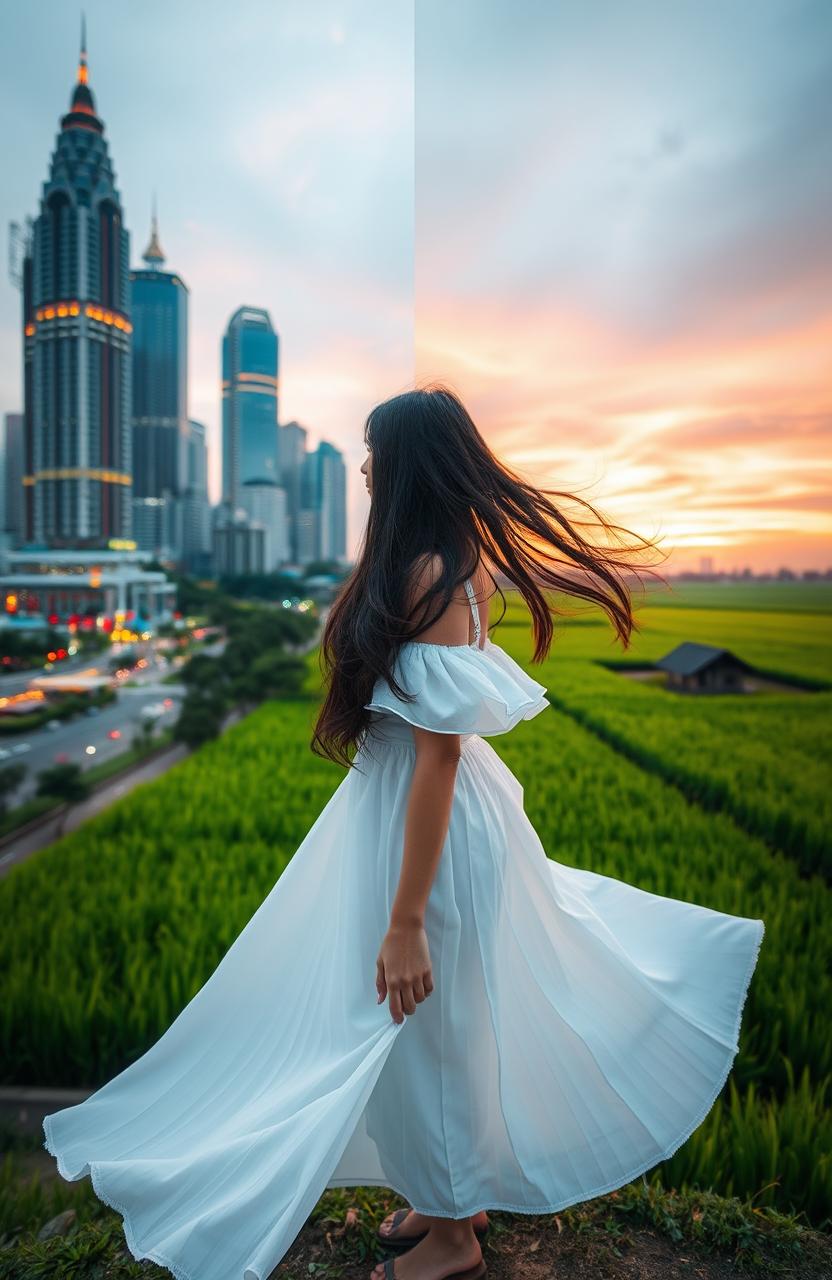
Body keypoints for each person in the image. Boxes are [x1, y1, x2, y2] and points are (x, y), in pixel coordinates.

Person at [42, 384, 765, 1280]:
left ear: (410, 465)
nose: (364, 466)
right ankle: (442, 1193)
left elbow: (439, 758)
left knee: (438, 1022)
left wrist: (408, 918)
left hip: (436, 831)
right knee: (421, 1025)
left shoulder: (432, 574)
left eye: (376, 452)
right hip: (415, 820)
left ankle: (458, 1235)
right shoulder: (436, 564)